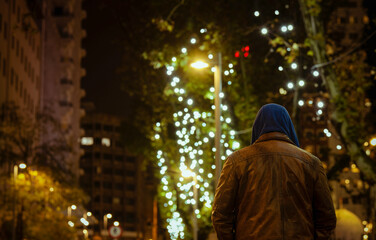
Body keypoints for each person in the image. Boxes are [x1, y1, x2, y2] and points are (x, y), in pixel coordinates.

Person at [212, 103, 336, 240]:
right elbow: (326, 218)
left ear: (257, 127)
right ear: (288, 126)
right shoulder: (311, 163)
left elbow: (220, 215)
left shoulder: (237, 161)